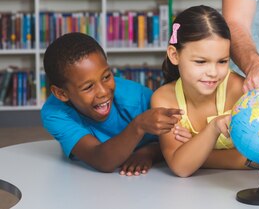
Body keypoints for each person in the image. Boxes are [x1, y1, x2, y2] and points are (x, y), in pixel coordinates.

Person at [40, 32, 182, 175]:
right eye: (88, 87)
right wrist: (139, 126)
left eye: (106, 76)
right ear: (61, 94)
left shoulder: (137, 98)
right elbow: (100, 159)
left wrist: (149, 152)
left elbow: (180, 143)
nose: (103, 92)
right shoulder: (55, 113)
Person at [151, 5, 247, 177]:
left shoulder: (240, 90)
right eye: (201, 62)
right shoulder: (163, 99)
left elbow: (253, 160)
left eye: (222, 61)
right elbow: (180, 167)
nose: (213, 72)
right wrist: (213, 128)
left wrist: (196, 149)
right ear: (174, 55)